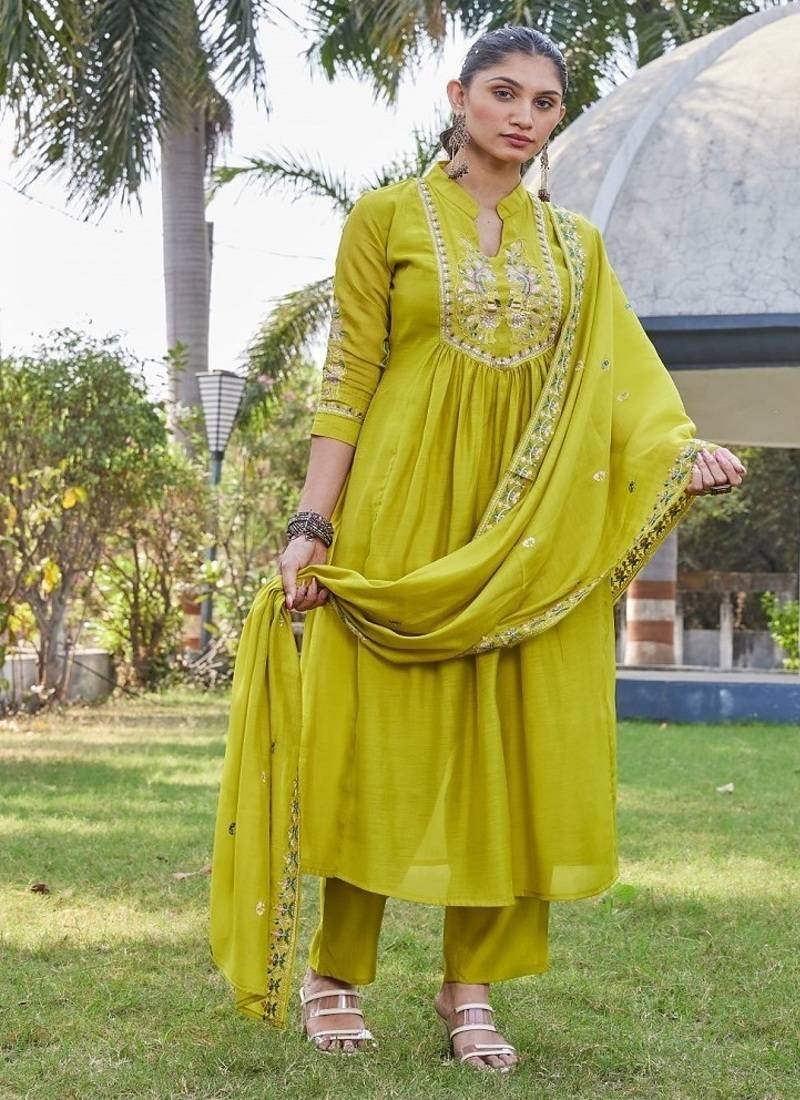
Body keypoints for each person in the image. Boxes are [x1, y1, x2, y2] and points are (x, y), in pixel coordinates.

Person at [208, 24, 747, 1076]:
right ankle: (334, 969)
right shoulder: (385, 218)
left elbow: (623, 378)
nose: (521, 116)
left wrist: (677, 450)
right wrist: (311, 525)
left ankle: (470, 984)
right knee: (379, 743)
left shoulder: (576, 248)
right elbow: (347, 379)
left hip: (530, 533)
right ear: (457, 97)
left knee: (510, 745)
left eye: (543, 102)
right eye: (502, 93)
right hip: (402, 515)